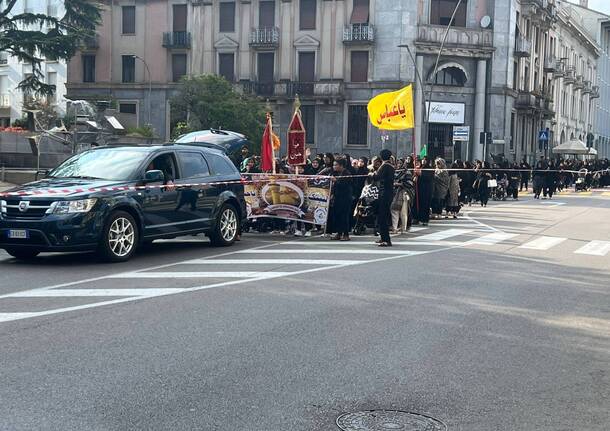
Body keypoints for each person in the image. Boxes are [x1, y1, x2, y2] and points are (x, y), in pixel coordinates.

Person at [370, 149, 395, 247]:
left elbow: (377, 176)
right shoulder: (391, 166)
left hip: (385, 193)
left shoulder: (385, 166)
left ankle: (386, 240)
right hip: (388, 193)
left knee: (382, 217)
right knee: (381, 215)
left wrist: (371, 174)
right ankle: (383, 238)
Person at [328, 159, 353, 241]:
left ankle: (346, 234)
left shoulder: (347, 174)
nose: (334, 167)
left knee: (344, 216)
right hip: (337, 198)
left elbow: (346, 186)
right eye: (333, 165)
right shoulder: (335, 173)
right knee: (337, 216)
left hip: (345, 198)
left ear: (341, 166)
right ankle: (339, 233)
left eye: (336, 165)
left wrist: (336, 181)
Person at [415, 157, 433, 226]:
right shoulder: (420, 167)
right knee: (419, 204)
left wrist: (421, 174)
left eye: (425, 159)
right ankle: (418, 218)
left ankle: (425, 219)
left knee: (425, 205)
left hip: (426, 189)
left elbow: (429, 177)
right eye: (423, 159)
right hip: (419, 188)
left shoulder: (430, 168)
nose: (424, 161)